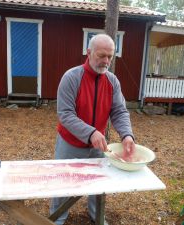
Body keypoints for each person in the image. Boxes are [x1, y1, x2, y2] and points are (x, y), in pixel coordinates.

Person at [50, 34, 136, 225]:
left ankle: (96, 215)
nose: (106, 61)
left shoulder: (112, 81)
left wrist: (127, 134)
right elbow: (65, 114)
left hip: (98, 145)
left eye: (110, 56)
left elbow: (119, 111)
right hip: (70, 142)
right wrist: (90, 132)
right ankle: (58, 218)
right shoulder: (71, 77)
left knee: (98, 182)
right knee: (63, 180)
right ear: (89, 53)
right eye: (101, 55)